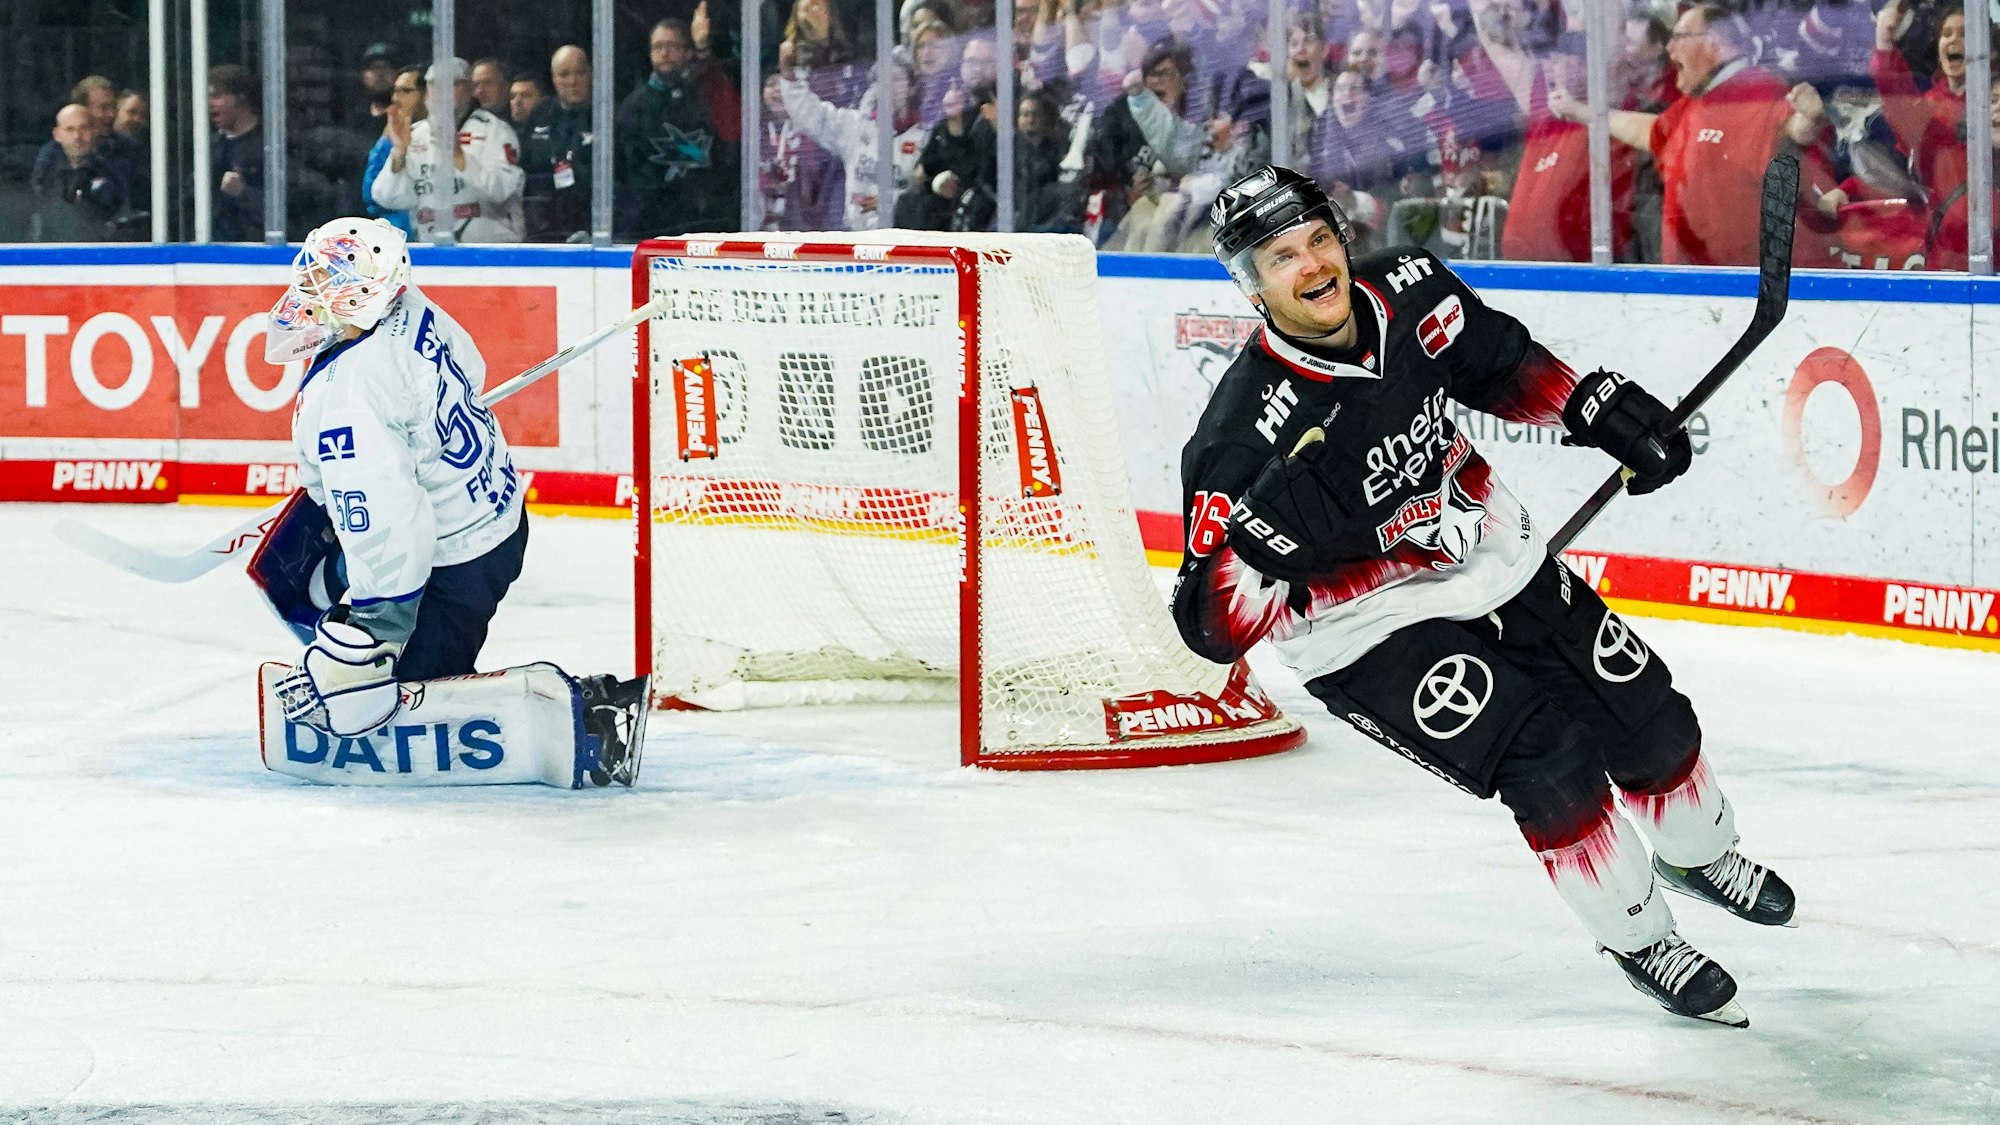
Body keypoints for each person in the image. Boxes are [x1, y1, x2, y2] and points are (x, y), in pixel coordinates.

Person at [1174, 166, 1797, 1027]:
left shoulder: (1408, 289)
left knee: (1647, 711)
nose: (1312, 264)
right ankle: (1639, 934)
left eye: (1318, 237)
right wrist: (1261, 542)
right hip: (1365, 626)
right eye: (1281, 257)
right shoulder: (1241, 434)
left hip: (1487, 552)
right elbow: (1208, 626)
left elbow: (1501, 365)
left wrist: (1595, 411)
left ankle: (1703, 853)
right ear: (1252, 284)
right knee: (1552, 757)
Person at [257, 217, 648, 788]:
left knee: (393, 709)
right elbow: (470, 369)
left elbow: (391, 531)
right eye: (315, 270)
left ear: (363, 292)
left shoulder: (349, 397)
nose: (313, 287)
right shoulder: (410, 306)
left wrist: (374, 628)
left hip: (454, 558)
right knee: (340, 604)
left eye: (330, 276)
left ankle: (592, 717)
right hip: (497, 515)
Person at [1551, 3, 1820, 267]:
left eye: (1678, 37)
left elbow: (1795, 134)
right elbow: (1653, 131)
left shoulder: (1758, 91)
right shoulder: (1698, 103)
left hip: (1738, 289)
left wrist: (1809, 117)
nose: (1669, 48)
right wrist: (1584, 112)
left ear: (1715, 44)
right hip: (1690, 288)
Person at [371, 57, 525, 243]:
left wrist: (459, 156)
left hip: (490, 252)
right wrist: (399, 154)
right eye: (435, 85)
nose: (443, 93)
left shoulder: (495, 131)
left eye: (453, 85)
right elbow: (386, 198)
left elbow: (503, 190)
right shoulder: (415, 134)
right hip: (433, 250)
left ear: (469, 88)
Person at [614, 13, 742, 238]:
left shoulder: (704, 96)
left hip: (703, 227)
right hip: (650, 226)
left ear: (688, 51)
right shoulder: (633, 107)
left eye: (672, 45)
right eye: (658, 47)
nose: (664, 53)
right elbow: (624, 173)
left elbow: (724, 157)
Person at [776, 38, 926, 229]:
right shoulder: (855, 126)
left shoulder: (925, 137)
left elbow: (927, 193)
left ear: (912, 87)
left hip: (904, 244)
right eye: (882, 78)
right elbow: (812, 116)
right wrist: (791, 79)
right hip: (857, 242)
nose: (888, 86)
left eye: (896, 78)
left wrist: (892, 202)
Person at [520, 46, 594, 242]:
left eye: (579, 73)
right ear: (553, 78)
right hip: (542, 231)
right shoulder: (540, 113)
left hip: (590, 230)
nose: (572, 81)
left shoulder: (606, 114)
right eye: (564, 74)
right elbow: (524, 170)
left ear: (590, 74)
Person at [28, 103, 126, 240]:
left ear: (95, 130)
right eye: (70, 129)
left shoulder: (113, 174)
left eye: (84, 128)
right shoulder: (44, 175)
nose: (77, 136)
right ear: (57, 135)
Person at [362, 67, 424, 238]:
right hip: (395, 234)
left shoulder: (442, 137)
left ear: (426, 95)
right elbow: (370, 194)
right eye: (395, 91)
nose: (396, 98)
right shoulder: (391, 134)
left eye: (405, 91)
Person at [209, 64, 265, 242]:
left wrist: (243, 193)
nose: (210, 103)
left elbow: (289, 210)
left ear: (241, 98)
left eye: (217, 96)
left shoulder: (270, 145)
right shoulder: (209, 147)